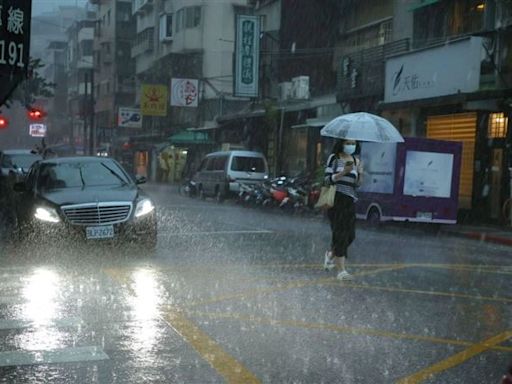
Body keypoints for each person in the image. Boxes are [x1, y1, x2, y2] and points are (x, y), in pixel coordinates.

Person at [323, 139, 364, 280]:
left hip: (350, 200)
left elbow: (357, 184)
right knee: (340, 234)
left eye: (353, 143)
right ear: (342, 143)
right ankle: (341, 270)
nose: (350, 146)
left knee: (350, 235)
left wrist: (360, 173)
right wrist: (343, 172)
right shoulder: (334, 158)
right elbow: (327, 180)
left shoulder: (356, 161)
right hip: (336, 199)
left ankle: (331, 255)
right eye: (348, 143)